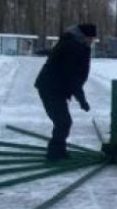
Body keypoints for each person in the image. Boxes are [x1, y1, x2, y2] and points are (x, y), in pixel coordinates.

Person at [34, 23, 96, 160]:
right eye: (91, 38)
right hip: (50, 87)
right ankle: (55, 153)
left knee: (63, 121)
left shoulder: (76, 44)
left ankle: (58, 151)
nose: (92, 41)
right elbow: (72, 77)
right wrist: (82, 100)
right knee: (63, 122)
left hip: (56, 88)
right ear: (84, 36)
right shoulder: (72, 46)